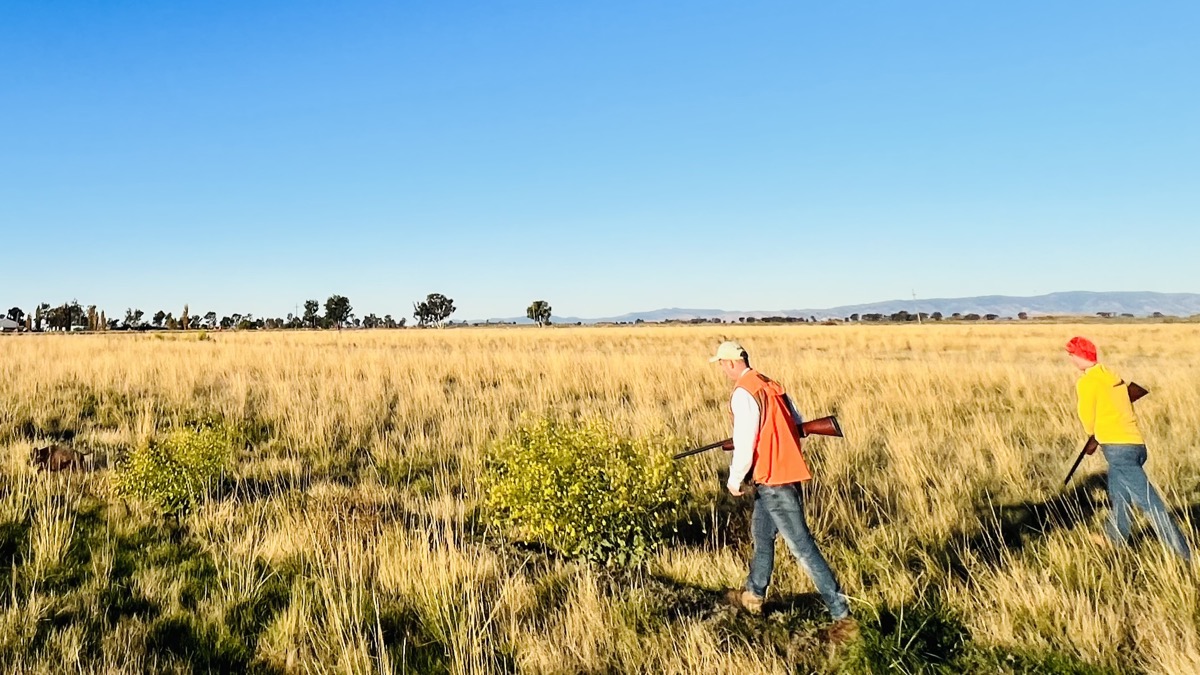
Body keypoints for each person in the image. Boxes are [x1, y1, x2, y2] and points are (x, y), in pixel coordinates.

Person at [709, 340, 857, 642]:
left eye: (722, 365)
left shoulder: (743, 392)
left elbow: (747, 442)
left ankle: (843, 616)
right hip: (779, 475)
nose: (723, 371)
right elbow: (797, 423)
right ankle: (753, 595)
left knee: (802, 548)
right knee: (762, 537)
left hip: (773, 479)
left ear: (730, 363)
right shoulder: (769, 384)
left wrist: (735, 479)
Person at [1066, 336, 1191, 561]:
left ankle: (1184, 555)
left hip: (1117, 450)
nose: (1071, 359)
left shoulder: (1087, 382)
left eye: (1072, 354)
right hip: (1136, 445)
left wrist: (1093, 435)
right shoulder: (1113, 377)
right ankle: (1113, 538)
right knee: (1119, 495)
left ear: (1080, 357)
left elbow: (1087, 417)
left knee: (1151, 504)